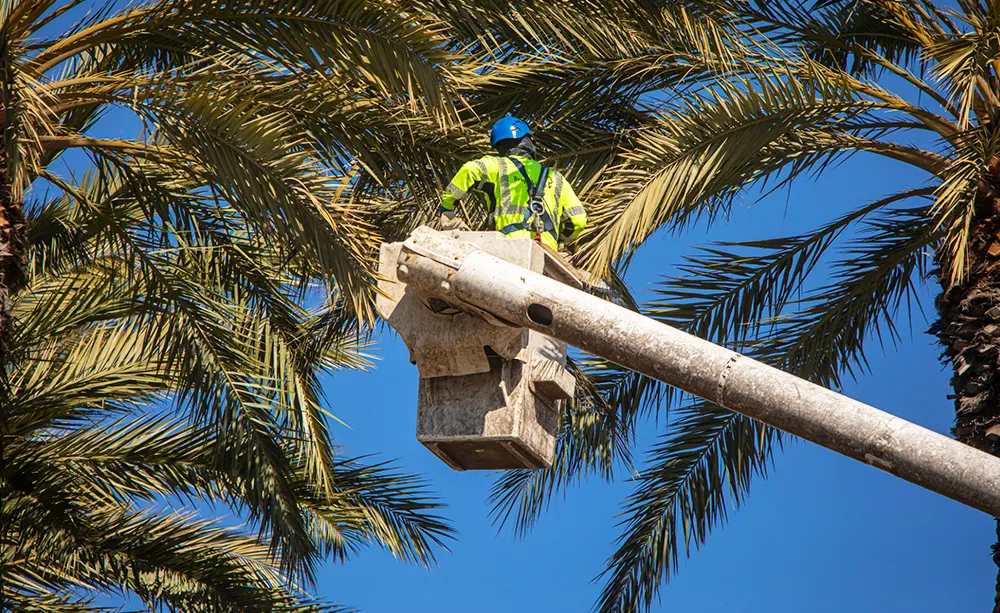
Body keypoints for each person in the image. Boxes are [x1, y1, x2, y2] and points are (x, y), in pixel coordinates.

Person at [438, 117, 586, 252]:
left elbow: (470, 170)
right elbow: (578, 220)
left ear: (500, 146)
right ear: (529, 141)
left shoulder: (497, 166)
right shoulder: (556, 178)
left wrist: (447, 207)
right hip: (546, 252)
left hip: (508, 249)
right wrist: (558, 240)